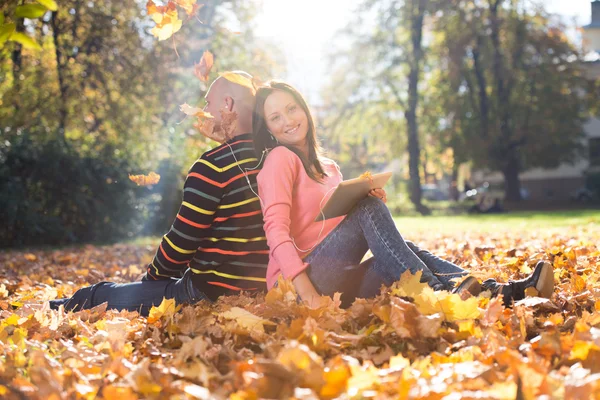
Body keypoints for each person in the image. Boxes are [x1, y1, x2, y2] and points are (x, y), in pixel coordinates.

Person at [252, 80, 554, 308]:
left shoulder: (330, 167)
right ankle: (441, 296)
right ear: (268, 129)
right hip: (297, 286)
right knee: (373, 215)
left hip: (338, 278)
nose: (288, 120)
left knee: (404, 250)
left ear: (304, 109)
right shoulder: (280, 159)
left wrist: (368, 206)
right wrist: (307, 294)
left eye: (291, 108)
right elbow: (275, 232)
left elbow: (331, 227)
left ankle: (510, 293)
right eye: (275, 117)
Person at [50, 72, 269, 316]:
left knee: (95, 296)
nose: (203, 110)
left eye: (208, 103)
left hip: (206, 294)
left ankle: (43, 311)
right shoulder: (274, 159)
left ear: (227, 104)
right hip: (263, 290)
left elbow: (181, 242)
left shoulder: (212, 166)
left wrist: (152, 279)